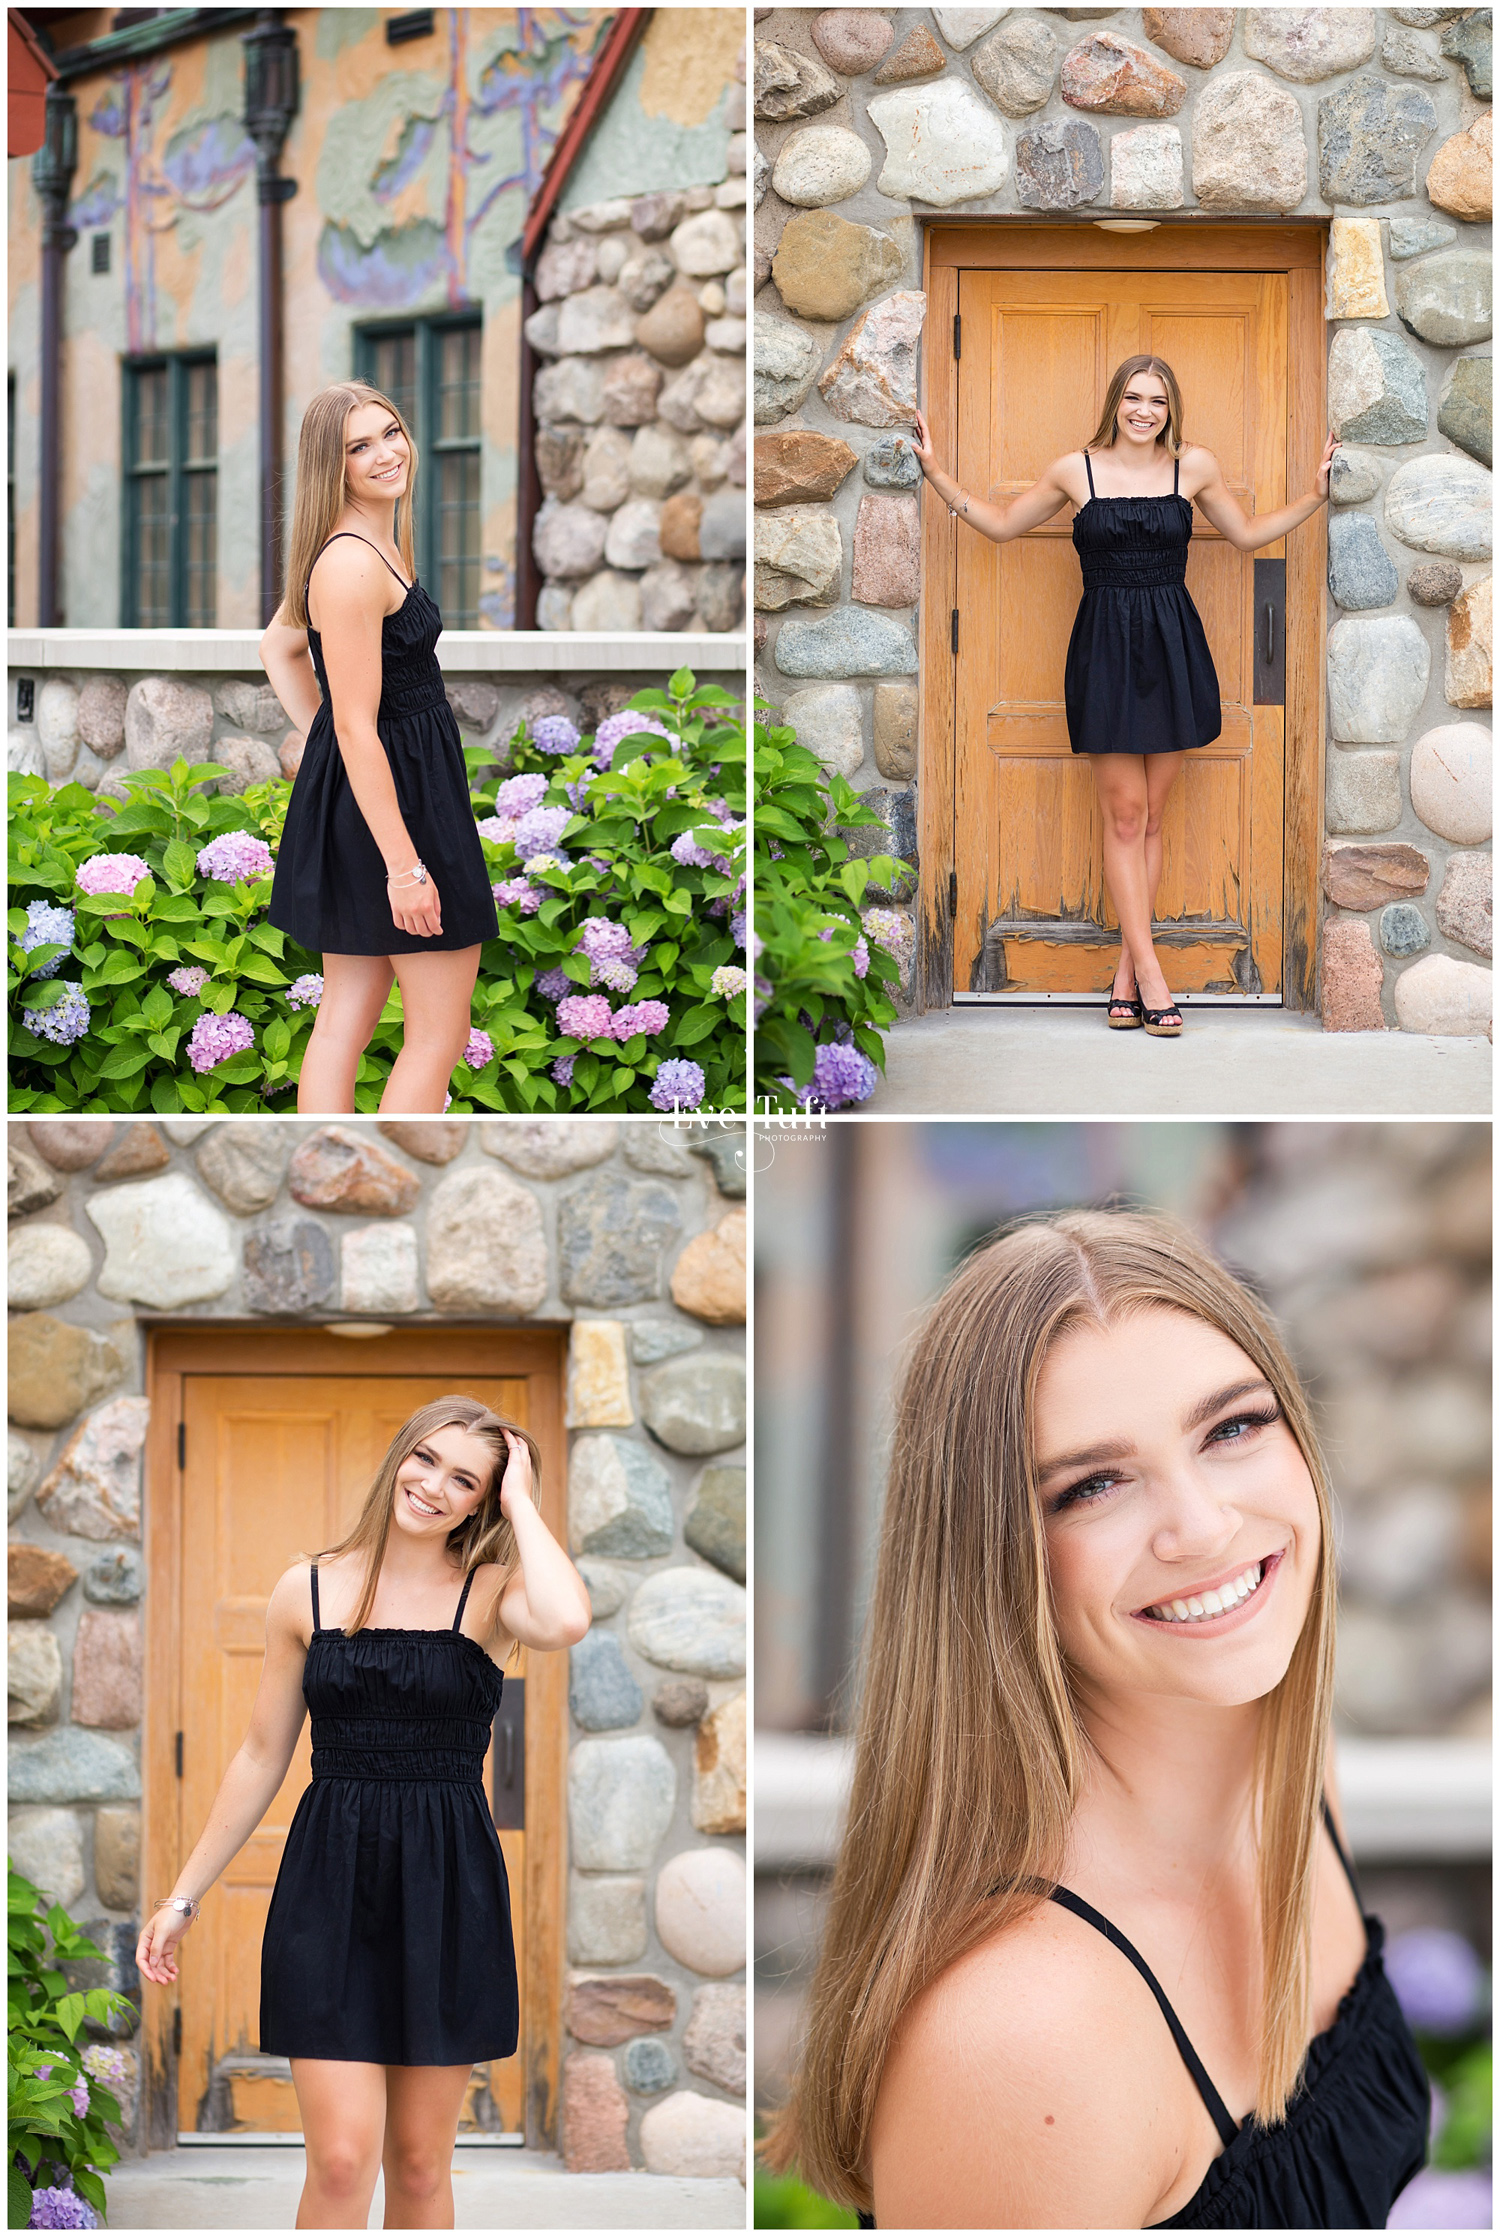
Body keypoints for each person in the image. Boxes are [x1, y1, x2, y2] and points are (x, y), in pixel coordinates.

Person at [763, 1211, 1428, 2230]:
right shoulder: (1025, 2035)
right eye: (1094, 1483)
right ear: (993, 1559)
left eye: (1233, 1426)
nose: (1202, 1525)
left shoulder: (1285, 1765)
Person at [136, 1397, 590, 2231]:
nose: (434, 1486)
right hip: (331, 1884)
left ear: (483, 1501)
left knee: (419, 2169)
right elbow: (261, 1754)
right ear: (398, 1456)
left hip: (448, 1887)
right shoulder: (304, 1588)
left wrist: (523, 1500)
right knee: (342, 2162)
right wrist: (182, 1896)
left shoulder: (494, 1592)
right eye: (426, 1459)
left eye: (466, 1479)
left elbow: (566, 1618)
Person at [910, 359, 1338, 1037]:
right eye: (1134, 397)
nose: (1145, 410)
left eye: (1158, 399)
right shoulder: (1072, 470)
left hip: (1174, 646)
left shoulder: (1192, 466)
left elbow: (1248, 535)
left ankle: (1124, 974)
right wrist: (936, 475)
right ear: (1116, 401)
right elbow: (998, 525)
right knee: (1125, 813)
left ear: (1171, 408)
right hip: (1104, 648)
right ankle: (1154, 975)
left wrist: (1315, 495)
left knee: (1155, 815)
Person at [259, 383, 499, 1114]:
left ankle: (331, 1169)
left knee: (348, 1015)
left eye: (390, 432)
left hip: (382, 786)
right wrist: (405, 867)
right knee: (438, 1031)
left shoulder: (366, 541)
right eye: (358, 447)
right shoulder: (352, 563)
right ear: (331, 468)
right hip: (399, 806)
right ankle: (396, 1178)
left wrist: (321, 742)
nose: (386, 453)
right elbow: (358, 723)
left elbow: (280, 643)